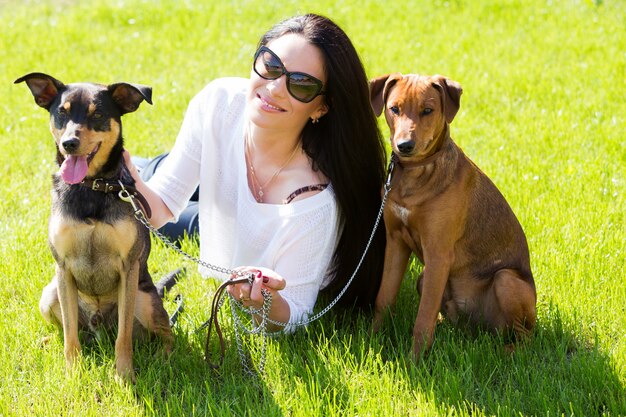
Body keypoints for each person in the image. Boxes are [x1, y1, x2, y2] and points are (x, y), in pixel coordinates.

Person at [125, 13, 387, 332]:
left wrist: (266, 300)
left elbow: (297, 312)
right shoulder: (219, 102)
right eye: (271, 65)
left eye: (301, 84)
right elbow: (163, 201)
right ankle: (139, 163)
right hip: (221, 183)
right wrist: (126, 178)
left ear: (321, 107)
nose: (274, 88)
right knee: (143, 171)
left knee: (189, 223)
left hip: (238, 219)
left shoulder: (314, 202)